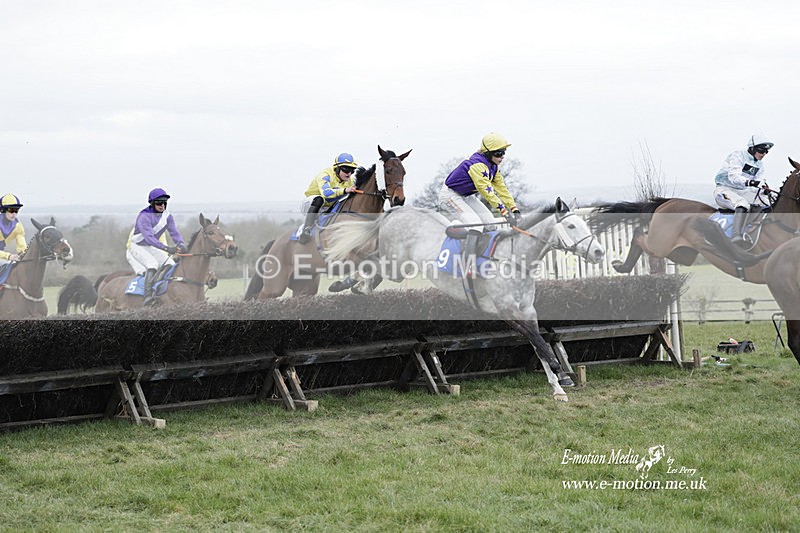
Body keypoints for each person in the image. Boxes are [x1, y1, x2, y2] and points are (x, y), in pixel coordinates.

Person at [438, 132, 521, 276]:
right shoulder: (478, 166)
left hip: (465, 195)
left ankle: (485, 259)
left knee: (491, 224)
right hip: (450, 195)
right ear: (488, 153)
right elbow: (487, 192)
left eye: (504, 152)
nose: (502, 156)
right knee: (476, 225)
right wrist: (504, 212)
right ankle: (468, 265)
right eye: (499, 153)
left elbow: (502, 189)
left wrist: (514, 209)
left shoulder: (493, 167)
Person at [126, 188, 187, 306]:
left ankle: (160, 289)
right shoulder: (144, 216)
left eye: (164, 202)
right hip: (137, 246)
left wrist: (180, 244)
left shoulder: (168, 216)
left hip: (149, 246)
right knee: (152, 264)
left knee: (170, 264)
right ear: (152, 203)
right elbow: (150, 238)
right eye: (159, 202)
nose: (162, 205)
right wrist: (167, 248)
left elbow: (174, 232)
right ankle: (147, 296)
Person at [714, 134, 774, 245]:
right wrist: (752, 182)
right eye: (761, 151)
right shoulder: (738, 155)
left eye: (766, 152)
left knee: (767, 202)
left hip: (742, 191)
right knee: (742, 204)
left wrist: (764, 189)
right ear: (752, 148)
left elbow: (759, 182)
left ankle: (755, 229)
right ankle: (736, 236)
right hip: (724, 189)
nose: (764, 154)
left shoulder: (760, 164)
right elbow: (734, 177)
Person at [298, 152, 359, 244]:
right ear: (337, 168)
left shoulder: (351, 181)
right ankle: (306, 230)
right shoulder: (325, 174)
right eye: (346, 169)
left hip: (329, 207)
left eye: (352, 170)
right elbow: (326, 193)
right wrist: (345, 190)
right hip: (311, 204)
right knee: (319, 199)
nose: (349, 173)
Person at [0, 194, 27, 268]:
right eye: (11, 210)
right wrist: (8, 256)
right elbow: (8, 256)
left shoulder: (18, 225)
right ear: (3, 210)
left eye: (16, 210)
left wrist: (24, 254)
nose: (14, 213)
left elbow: (22, 247)